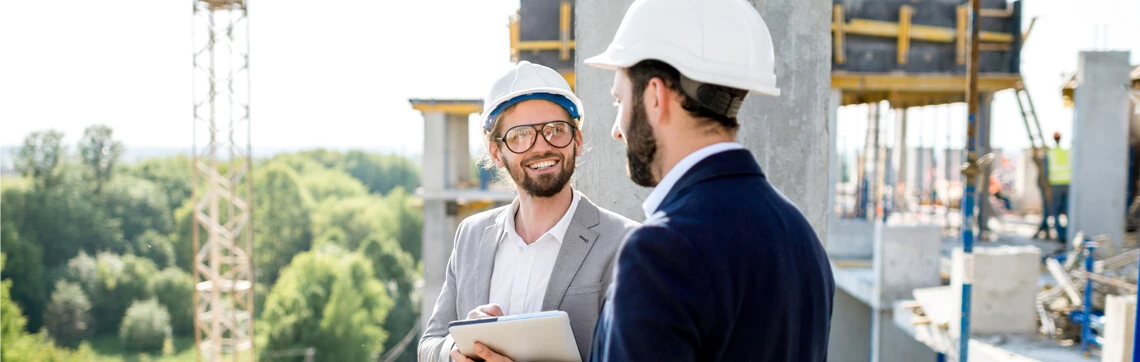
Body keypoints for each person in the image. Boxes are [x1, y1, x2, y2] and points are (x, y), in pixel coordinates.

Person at [584, 0, 834, 361]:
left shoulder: (661, 253)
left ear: (656, 97)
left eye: (617, 101)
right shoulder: (800, 236)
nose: (616, 130)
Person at [417, 61, 639, 362]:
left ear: (577, 140)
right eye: (521, 135)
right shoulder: (471, 236)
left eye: (556, 130)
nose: (541, 147)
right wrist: (456, 352)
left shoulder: (626, 243)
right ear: (497, 152)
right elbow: (430, 343)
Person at [1046, 131, 1070, 242]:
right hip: (1068, 183)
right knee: (1067, 210)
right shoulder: (1067, 152)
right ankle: (1068, 233)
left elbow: (1046, 170)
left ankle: (1060, 235)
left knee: (1055, 211)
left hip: (1056, 184)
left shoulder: (1051, 152)